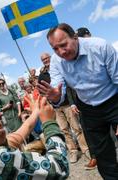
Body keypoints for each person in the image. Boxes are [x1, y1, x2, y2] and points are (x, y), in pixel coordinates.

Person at [37, 23, 118, 179]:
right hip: (88, 109)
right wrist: (55, 97)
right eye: (55, 48)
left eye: (63, 45)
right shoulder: (56, 61)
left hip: (114, 100)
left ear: (75, 37)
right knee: (103, 157)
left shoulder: (100, 47)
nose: (61, 52)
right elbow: (57, 89)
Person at [75, 27, 97, 170]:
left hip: (107, 98)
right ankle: (95, 157)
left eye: (82, 37)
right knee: (88, 131)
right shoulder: (73, 56)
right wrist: (72, 103)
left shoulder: (100, 49)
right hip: (83, 102)